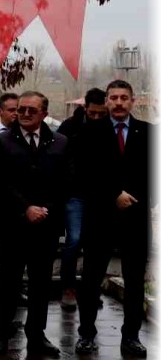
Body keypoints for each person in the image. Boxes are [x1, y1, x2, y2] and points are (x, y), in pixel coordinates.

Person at [75, 80, 150, 358]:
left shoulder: (149, 133)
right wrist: (113, 195)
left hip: (136, 216)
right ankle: (86, 334)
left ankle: (131, 336)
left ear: (133, 101)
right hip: (100, 217)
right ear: (106, 101)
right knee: (91, 278)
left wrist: (136, 197)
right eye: (114, 98)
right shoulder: (89, 132)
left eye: (124, 98)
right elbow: (83, 174)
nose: (118, 103)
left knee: (134, 281)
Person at [0, 91, 69, 358]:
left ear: (44, 113)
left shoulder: (60, 143)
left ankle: (37, 335)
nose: (24, 114)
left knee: (41, 284)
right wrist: (25, 208)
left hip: (46, 225)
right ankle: (2, 334)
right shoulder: (1, 142)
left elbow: (65, 183)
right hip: (14, 225)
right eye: (20, 109)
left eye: (31, 110)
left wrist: (47, 209)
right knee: (9, 282)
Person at [57, 88, 108, 310]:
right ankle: (68, 287)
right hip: (75, 194)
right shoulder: (70, 127)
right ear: (85, 109)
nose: (96, 118)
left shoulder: (109, 129)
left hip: (101, 195)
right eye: (93, 113)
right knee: (74, 240)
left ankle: (90, 288)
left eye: (101, 114)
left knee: (96, 245)